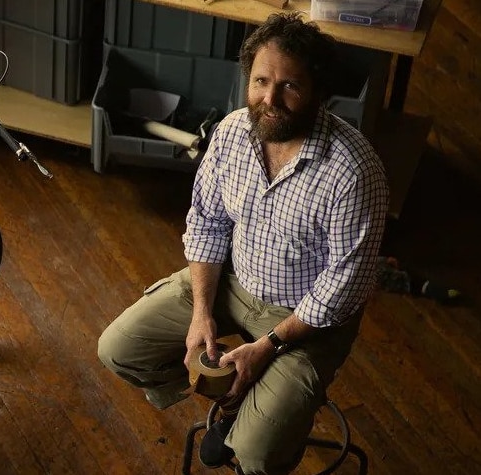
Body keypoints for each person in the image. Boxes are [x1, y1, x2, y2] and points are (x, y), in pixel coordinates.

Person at [97, 12, 389, 475]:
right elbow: (208, 224)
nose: (269, 99)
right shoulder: (232, 132)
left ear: (318, 92)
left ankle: (256, 424)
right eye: (260, 81)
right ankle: (238, 406)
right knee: (117, 349)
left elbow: (342, 289)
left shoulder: (355, 171)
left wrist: (268, 346)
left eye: (290, 86)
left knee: (256, 456)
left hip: (306, 318)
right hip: (234, 281)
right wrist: (200, 312)